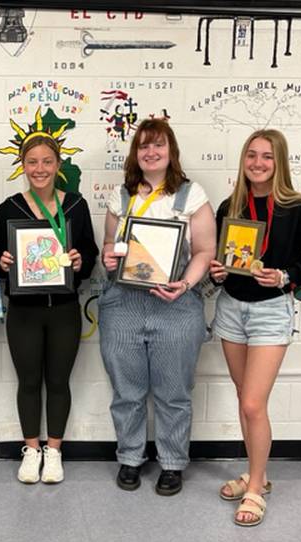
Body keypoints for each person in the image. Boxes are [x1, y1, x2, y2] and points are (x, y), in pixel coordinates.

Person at [209, 129, 301, 526]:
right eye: (252, 156)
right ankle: (257, 477)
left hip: (269, 312)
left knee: (252, 404)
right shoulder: (231, 205)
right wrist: (216, 272)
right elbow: (219, 260)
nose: (258, 164)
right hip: (231, 309)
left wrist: (286, 276)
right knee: (244, 399)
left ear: (279, 163)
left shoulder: (297, 208)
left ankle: (254, 487)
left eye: (267, 157)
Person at [99, 118, 216, 496]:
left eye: (158, 146)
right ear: (136, 153)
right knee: (127, 391)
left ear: (171, 152)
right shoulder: (121, 197)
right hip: (123, 305)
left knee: (174, 392)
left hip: (175, 304)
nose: (151, 152)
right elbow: (109, 249)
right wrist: (110, 258)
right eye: (144, 146)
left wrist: (185, 284)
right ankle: (130, 457)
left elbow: (204, 251)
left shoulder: (191, 195)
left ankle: (172, 463)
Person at [0, 134, 97, 483]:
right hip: (23, 312)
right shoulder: (9, 208)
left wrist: (81, 261)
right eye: (32, 162)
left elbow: (91, 255)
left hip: (64, 308)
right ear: (23, 166)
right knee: (29, 381)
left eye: (47, 161)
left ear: (58, 166)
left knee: (59, 381)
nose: (40, 169)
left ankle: (54, 451)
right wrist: (3, 261)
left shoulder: (76, 206)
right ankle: (31, 449)